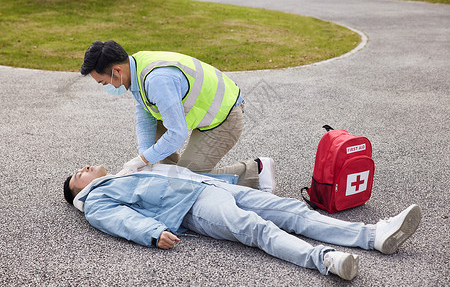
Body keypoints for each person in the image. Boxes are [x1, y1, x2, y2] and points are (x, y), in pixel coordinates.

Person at [63, 163, 422, 281]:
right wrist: (152, 232)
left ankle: (373, 235)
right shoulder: (95, 200)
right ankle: (326, 260)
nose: (83, 169)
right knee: (258, 230)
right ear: (78, 192)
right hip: (194, 208)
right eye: (77, 175)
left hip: (213, 188)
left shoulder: (125, 172)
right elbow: (118, 219)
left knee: (292, 211)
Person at [80, 40, 275, 193]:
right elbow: (145, 116)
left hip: (224, 117)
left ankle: (256, 171)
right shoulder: (134, 67)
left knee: (187, 179)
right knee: (166, 170)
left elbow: (176, 134)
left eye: (104, 83)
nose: (109, 87)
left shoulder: (157, 80)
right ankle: (167, 175)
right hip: (204, 112)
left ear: (116, 71)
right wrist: (144, 158)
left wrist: (142, 160)